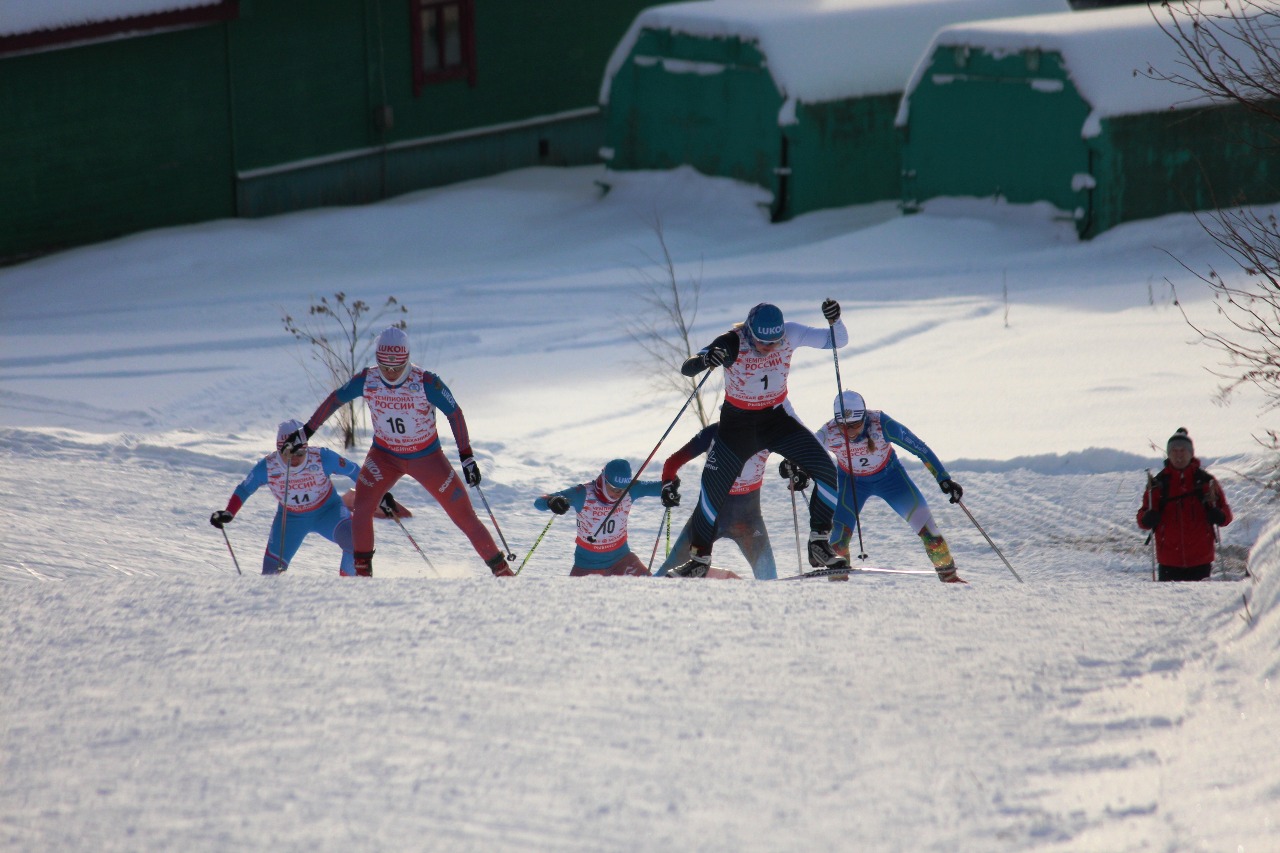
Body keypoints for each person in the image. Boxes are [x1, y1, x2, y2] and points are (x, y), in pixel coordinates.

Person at [280, 326, 513, 577]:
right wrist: (306, 432)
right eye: (385, 367)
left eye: (397, 367)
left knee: (464, 516)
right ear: (377, 361)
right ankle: (361, 578)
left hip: (427, 458)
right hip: (384, 457)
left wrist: (467, 457)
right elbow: (337, 399)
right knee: (363, 507)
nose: (391, 373)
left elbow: (454, 413)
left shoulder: (425, 382)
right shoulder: (368, 379)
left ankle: (503, 574)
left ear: (407, 360)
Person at [668, 300, 849, 578]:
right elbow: (687, 368)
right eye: (763, 342)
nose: (769, 347)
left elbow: (837, 341)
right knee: (711, 491)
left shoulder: (791, 332)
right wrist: (707, 360)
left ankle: (818, 543)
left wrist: (835, 321)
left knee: (826, 469)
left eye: (775, 342)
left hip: (775, 420)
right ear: (749, 332)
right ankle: (699, 559)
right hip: (737, 428)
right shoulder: (732, 342)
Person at [805, 391, 965, 583]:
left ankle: (950, 579)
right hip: (851, 484)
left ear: (864, 417)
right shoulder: (829, 431)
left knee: (930, 533)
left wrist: (943, 478)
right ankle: (839, 590)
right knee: (838, 541)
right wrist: (796, 470)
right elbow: (807, 451)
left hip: (891, 479)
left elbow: (918, 447)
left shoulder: (881, 423)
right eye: (843, 427)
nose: (850, 432)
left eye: (855, 425)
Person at [209, 419, 377, 576]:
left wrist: (378, 496)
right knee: (270, 573)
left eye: (300, 452)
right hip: (291, 519)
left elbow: (354, 471)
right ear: (279, 449)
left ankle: (350, 590)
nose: (295, 458)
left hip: (328, 511)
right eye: (289, 453)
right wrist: (229, 512)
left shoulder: (322, 458)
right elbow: (245, 489)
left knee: (357, 544)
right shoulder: (268, 467)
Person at [655, 423, 778, 579]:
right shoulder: (713, 432)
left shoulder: (765, 432)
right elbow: (672, 462)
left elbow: (798, 448)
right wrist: (667, 485)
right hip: (707, 519)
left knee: (769, 579)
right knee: (666, 574)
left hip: (747, 522)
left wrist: (794, 467)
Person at [534, 459, 671, 576]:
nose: (619, 494)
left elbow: (662, 487)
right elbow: (539, 502)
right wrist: (552, 502)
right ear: (604, 480)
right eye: (614, 489)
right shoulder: (583, 493)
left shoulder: (631, 490)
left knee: (653, 591)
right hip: (587, 566)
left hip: (623, 561)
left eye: (623, 489)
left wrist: (670, 489)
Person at [1137, 427, 1233, 581]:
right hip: (1169, 560)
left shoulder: (1206, 481)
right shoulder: (1158, 483)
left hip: (1200, 559)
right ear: (1169, 454)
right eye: (1174, 451)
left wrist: (1220, 516)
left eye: (1183, 450)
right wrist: (1146, 518)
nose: (1179, 455)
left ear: (1191, 453)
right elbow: (1143, 515)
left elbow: (1225, 513)